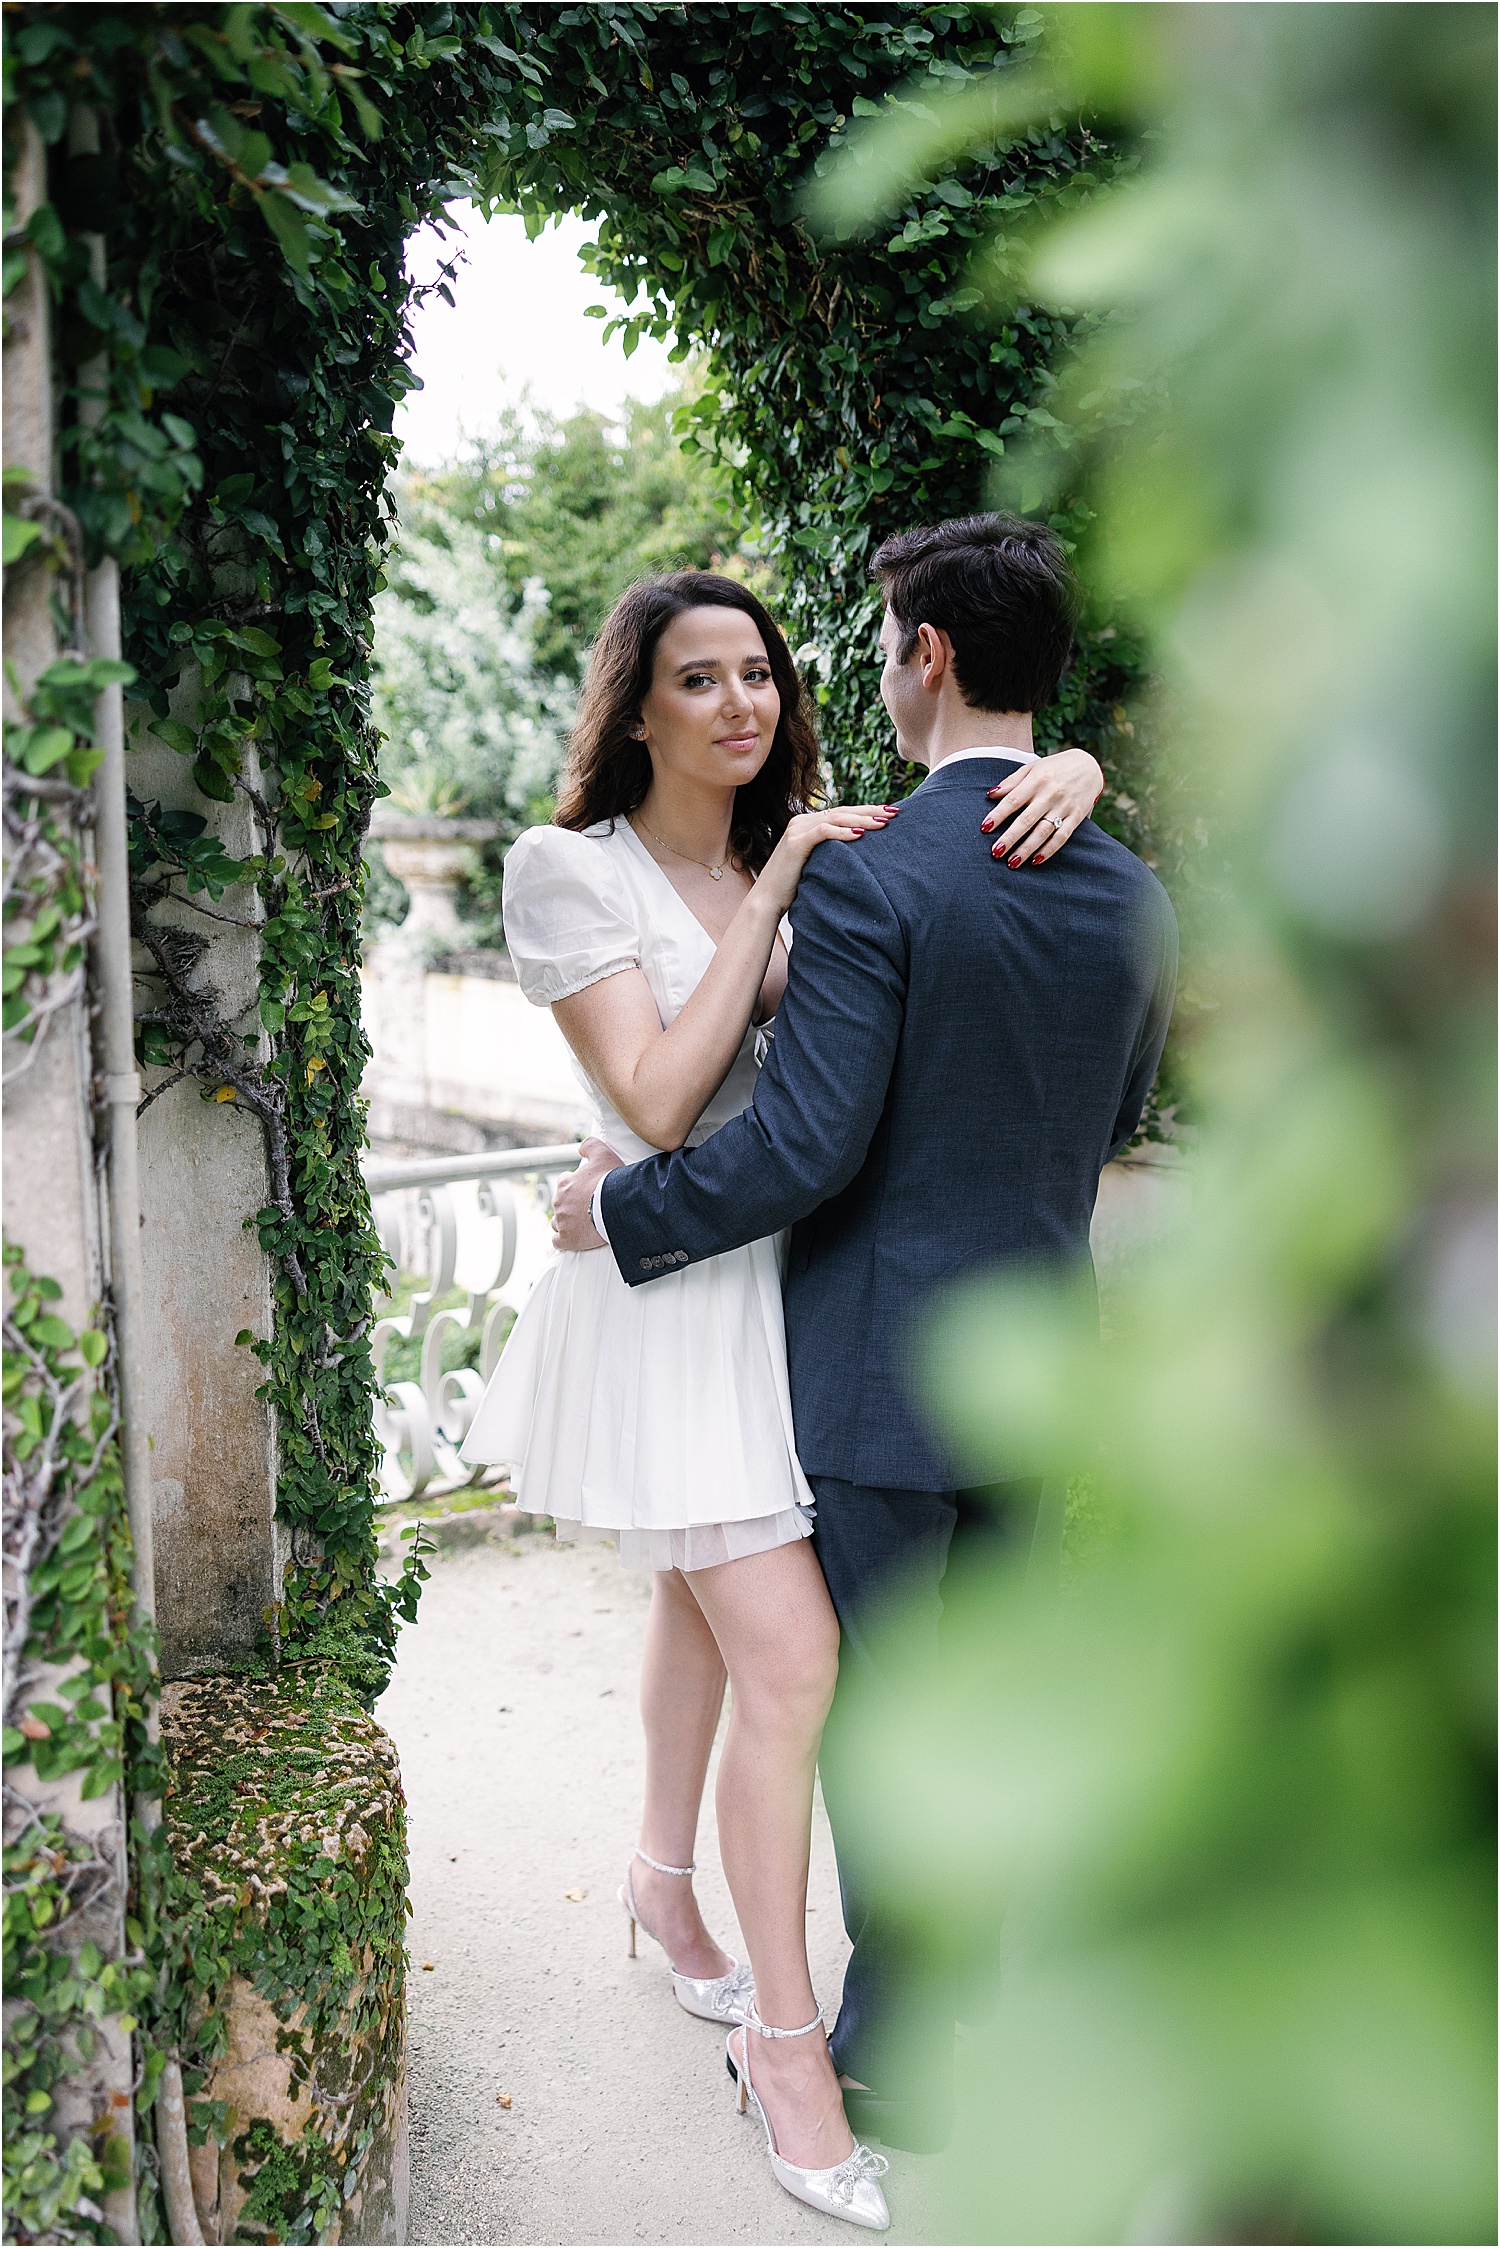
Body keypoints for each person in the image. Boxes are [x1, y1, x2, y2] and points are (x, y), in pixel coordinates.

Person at [460, 563, 1104, 2229]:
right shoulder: (569, 870)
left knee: (701, 1622)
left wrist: (1079, 774)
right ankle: (788, 2037)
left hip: (788, 1292)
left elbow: (974, 887)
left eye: (758, 672)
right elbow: (668, 1106)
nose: (741, 702)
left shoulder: (805, 846)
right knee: (797, 1656)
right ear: (637, 703)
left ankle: (661, 1888)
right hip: (676, 1296)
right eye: (698, 678)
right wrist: (785, 884)